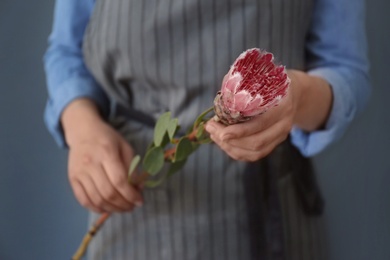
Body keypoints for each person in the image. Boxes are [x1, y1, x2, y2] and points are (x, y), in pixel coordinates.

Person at [44, 0, 370, 259]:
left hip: (270, 208)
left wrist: (295, 96)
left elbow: (345, 69)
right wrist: (82, 127)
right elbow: (67, 51)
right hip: (134, 198)